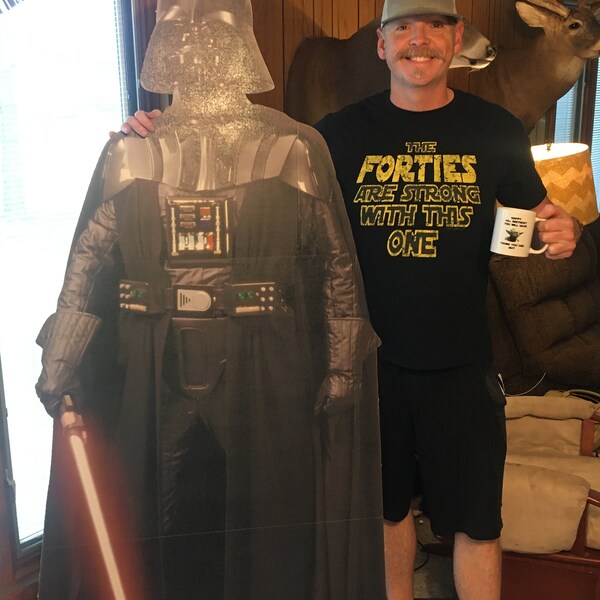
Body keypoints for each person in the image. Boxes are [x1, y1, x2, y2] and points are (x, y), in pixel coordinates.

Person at [120, 1, 581, 598]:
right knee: (384, 516)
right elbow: (244, 166)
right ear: (381, 46)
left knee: (477, 523)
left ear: (457, 39)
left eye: (436, 25)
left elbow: (539, 212)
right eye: (403, 27)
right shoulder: (335, 135)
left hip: (463, 366)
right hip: (368, 367)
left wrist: (562, 228)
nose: (419, 39)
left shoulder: (495, 129)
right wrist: (161, 132)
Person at [35, 1, 386, 598]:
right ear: (166, 49)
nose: (200, 54)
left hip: (266, 364)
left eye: (214, 41)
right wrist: (61, 357)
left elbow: (335, 265)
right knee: (152, 525)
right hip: (151, 362)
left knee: (267, 525)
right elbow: (89, 258)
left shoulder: (293, 146)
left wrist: (342, 364)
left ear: (239, 47)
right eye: (185, 38)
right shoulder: (132, 148)